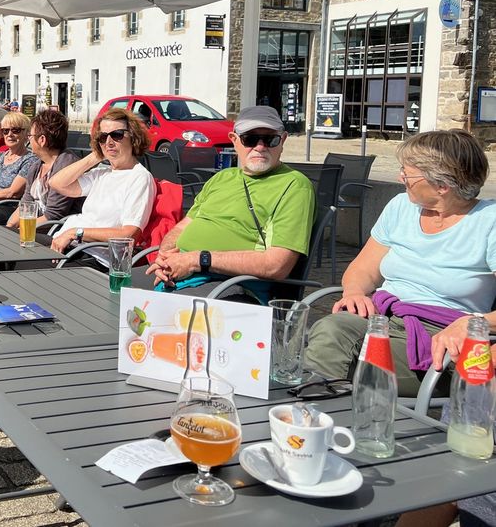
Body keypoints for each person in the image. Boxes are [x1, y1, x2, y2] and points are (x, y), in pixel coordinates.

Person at [304, 129, 496, 397]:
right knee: (329, 329)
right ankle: (326, 419)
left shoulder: (489, 221)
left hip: (441, 335)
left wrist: (474, 324)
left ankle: (325, 420)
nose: (400, 178)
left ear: (442, 185)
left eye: (408, 174)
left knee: (345, 363)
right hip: (383, 317)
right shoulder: (401, 206)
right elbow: (363, 269)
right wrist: (355, 292)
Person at [145, 105, 315, 300]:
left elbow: (276, 265)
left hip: (230, 288)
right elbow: (183, 226)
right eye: (250, 139)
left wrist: (197, 259)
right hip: (181, 278)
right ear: (234, 140)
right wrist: (165, 257)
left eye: (270, 139)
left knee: (135, 321)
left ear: (283, 140)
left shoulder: (294, 186)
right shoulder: (222, 178)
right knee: (112, 297)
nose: (260, 147)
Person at [47, 108, 155, 253]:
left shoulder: (139, 177)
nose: (109, 142)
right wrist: (95, 156)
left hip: (90, 254)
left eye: (117, 135)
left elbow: (129, 234)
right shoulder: (102, 173)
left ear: (133, 137)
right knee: (15, 243)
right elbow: (56, 183)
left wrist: (76, 232)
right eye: (103, 137)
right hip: (67, 242)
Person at [3, 109, 83, 229]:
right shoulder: (37, 166)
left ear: (42, 140)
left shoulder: (67, 166)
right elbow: (25, 205)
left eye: (30, 135)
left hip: (56, 231)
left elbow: (54, 215)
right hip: (35, 227)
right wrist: (9, 227)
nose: (29, 139)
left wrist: (22, 230)